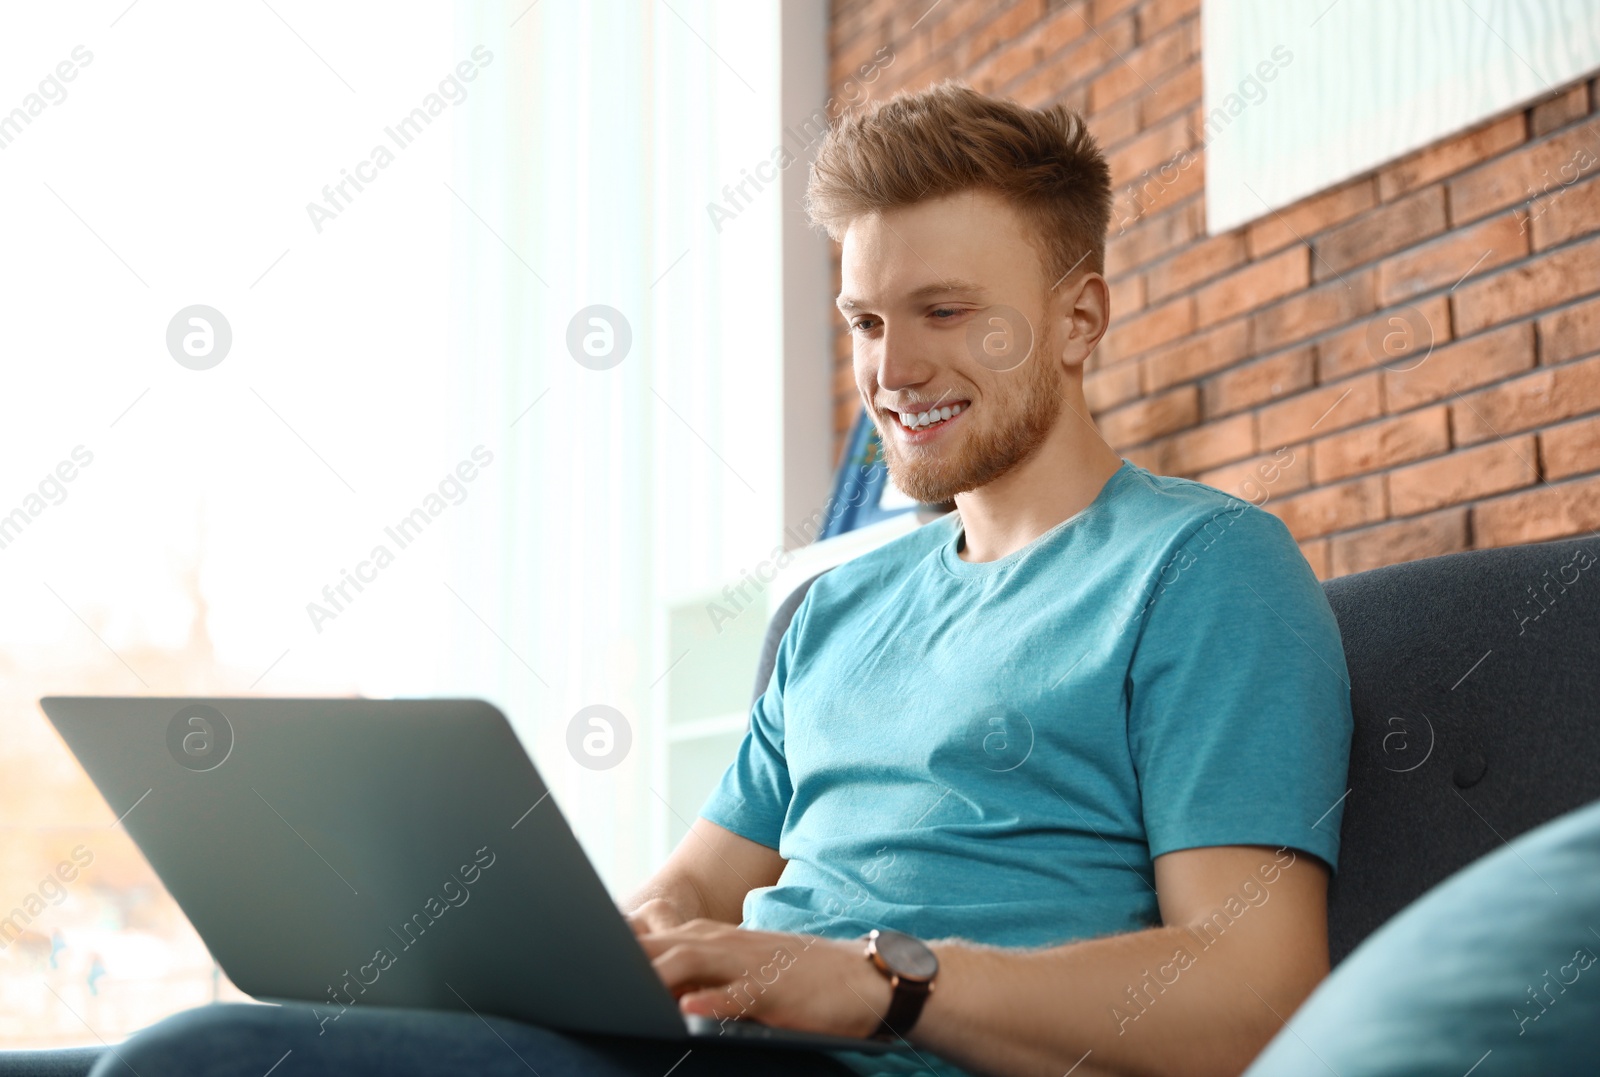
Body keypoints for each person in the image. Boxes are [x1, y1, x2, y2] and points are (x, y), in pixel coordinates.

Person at [93, 80, 1351, 1077]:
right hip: (723, 1049)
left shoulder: (1202, 569)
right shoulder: (836, 610)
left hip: (888, 1062)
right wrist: (632, 946)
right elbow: (700, 878)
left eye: (948, 311)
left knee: (202, 1059)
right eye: (866, 321)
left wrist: (877, 986)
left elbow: (1252, 1001)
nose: (892, 369)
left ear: (1078, 320)